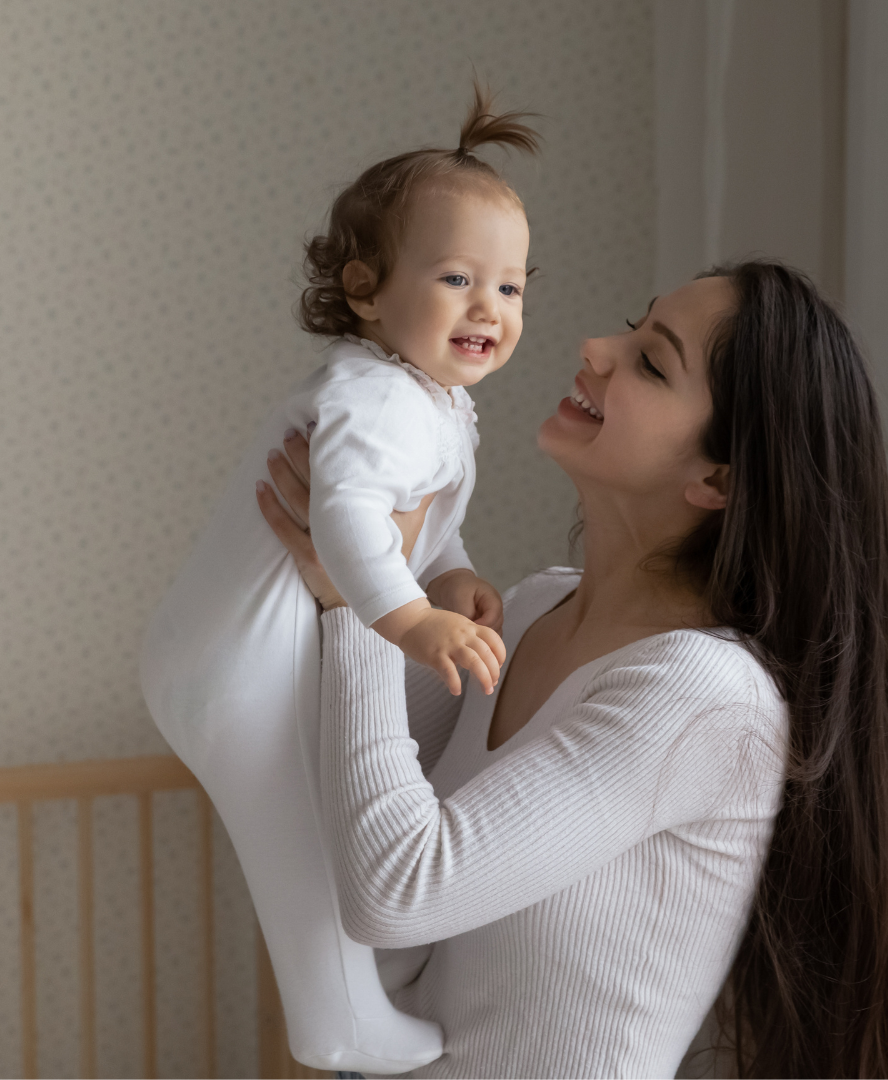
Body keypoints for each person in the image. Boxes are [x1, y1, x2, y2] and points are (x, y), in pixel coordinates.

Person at [257, 260, 888, 1078]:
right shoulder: (530, 611)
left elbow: (397, 888)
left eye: (650, 361)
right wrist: (377, 539)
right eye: (634, 325)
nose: (596, 347)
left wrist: (352, 600)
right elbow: (350, 794)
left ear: (717, 478)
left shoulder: (702, 697)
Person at [140, 87, 538, 1074]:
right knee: (302, 849)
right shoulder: (374, 392)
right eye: (457, 277)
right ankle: (339, 1027)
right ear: (367, 289)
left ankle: (350, 1011)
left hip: (250, 655)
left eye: (513, 286)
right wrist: (407, 616)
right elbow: (350, 515)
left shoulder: (429, 402)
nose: (489, 307)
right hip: (234, 666)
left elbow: (415, 516)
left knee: (316, 834)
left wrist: (449, 569)